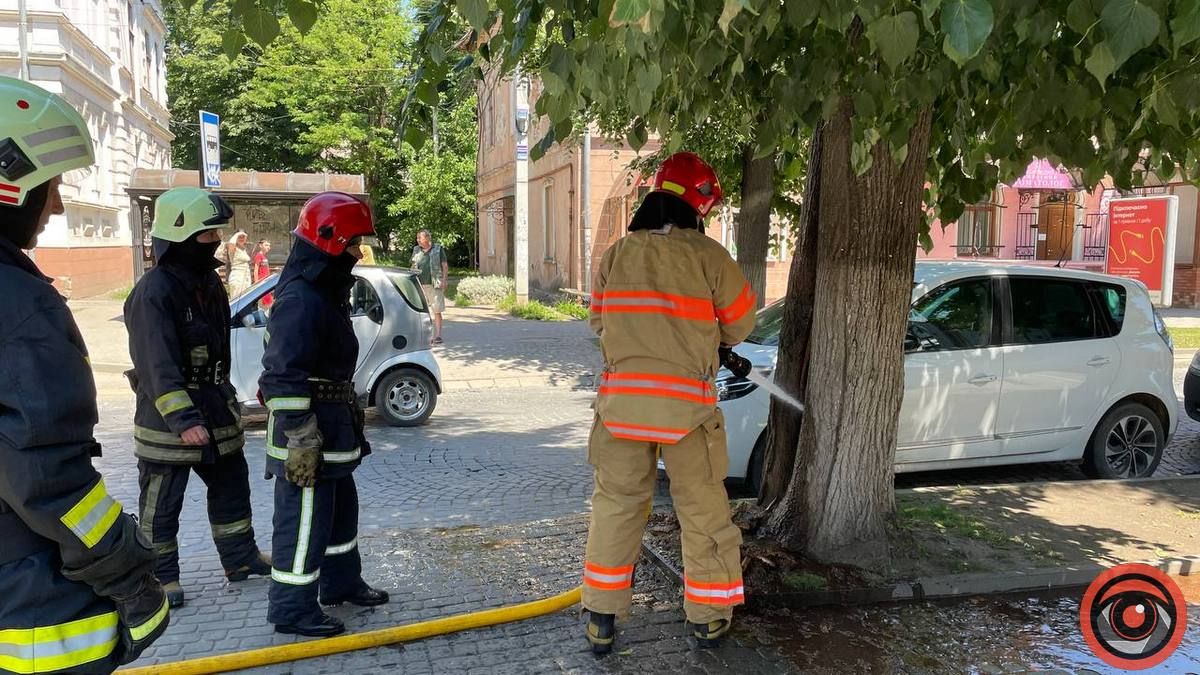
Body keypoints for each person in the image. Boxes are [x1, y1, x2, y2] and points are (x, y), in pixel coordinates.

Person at [0, 75, 169, 674]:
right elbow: (47, 477)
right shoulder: (19, 307)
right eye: (49, 186)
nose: (58, 205)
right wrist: (128, 571)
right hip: (30, 604)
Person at [581, 152, 757, 654]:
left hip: (620, 411)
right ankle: (708, 617)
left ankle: (601, 618)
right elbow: (741, 325)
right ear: (699, 204)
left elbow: (599, 325)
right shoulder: (708, 257)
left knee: (616, 509)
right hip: (687, 414)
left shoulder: (616, 254)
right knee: (702, 512)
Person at [123, 187, 272, 609]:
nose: (216, 242)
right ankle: (160, 577)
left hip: (216, 408)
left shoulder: (207, 283)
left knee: (231, 487)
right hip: (169, 422)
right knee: (161, 504)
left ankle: (241, 560)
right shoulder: (154, 291)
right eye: (208, 235)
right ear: (180, 236)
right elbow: (156, 362)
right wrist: (184, 420)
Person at [260, 192, 389, 638]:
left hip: (331, 435)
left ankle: (341, 583)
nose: (358, 254)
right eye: (354, 244)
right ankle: (292, 609)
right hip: (307, 439)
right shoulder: (300, 299)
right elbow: (280, 376)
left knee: (339, 516)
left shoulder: (323, 292)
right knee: (303, 526)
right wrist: (300, 434)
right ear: (330, 240)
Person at [411, 229, 448, 345]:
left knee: (436, 310)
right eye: (417, 238)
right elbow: (412, 264)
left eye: (419, 238)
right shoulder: (416, 250)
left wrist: (444, 280)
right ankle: (426, 335)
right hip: (419, 284)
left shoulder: (438, 249)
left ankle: (437, 336)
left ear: (427, 238)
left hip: (435, 283)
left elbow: (444, 265)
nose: (417, 240)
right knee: (422, 311)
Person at [225, 230, 252, 298]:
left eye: (243, 237)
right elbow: (231, 243)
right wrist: (237, 234)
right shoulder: (232, 248)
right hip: (237, 277)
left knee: (246, 300)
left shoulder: (243, 249)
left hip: (246, 277)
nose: (242, 238)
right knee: (237, 300)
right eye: (240, 237)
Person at [254, 239, 274, 309]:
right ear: (260, 245)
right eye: (266, 245)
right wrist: (256, 283)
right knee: (264, 302)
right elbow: (256, 270)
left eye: (269, 245)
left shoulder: (264, 256)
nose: (268, 247)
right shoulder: (258, 256)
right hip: (261, 282)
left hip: (266, 282)